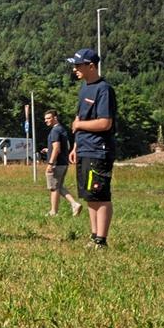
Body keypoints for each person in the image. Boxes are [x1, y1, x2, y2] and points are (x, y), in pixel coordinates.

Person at [66, 48, 117, 249]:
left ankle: (101, 241)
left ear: (91, 66)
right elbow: (82, 118)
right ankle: (94, 235)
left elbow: (105, 123)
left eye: (78, 65)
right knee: (89, 195)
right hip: (85, 148)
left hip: (99, 149)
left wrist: (78, 126)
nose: (74, 69)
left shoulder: (104, 89)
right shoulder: (84, 88)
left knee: (100, 194)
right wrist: (76, 146)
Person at [42, 109, 81, 217]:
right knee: (58, 186)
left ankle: (54, 211)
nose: (46, 121)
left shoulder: (55, 131)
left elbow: (57, 148)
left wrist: (50, 164)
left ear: (55, 118)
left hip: (56, 164)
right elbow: (66, 147)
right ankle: (74, 204)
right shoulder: (62, 130)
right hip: (63, 163)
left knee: (54, 188)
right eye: (45, 119)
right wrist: (48, 150)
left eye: (48, 118)